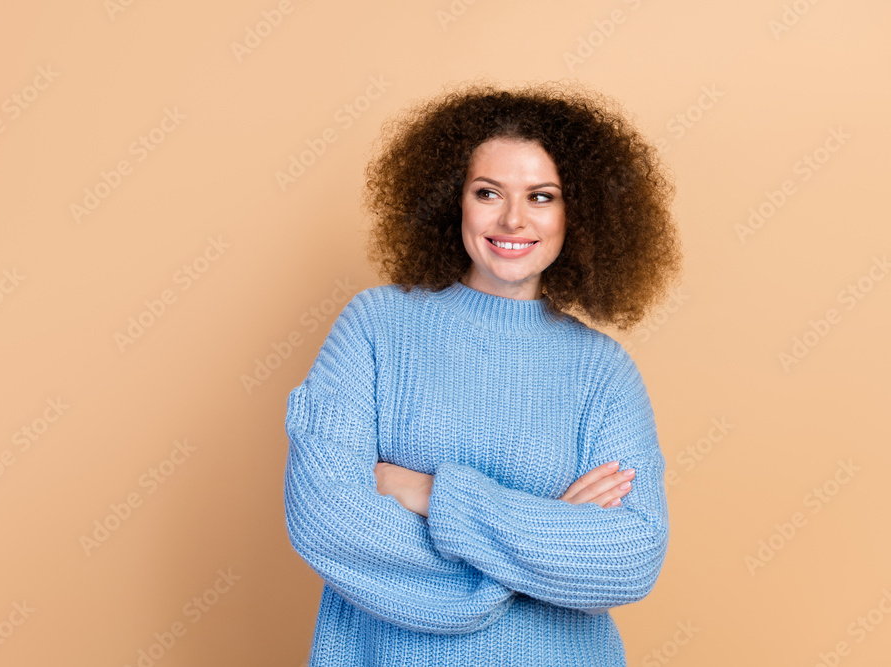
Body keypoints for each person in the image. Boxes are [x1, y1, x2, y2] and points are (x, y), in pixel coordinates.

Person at [283, 79, 684, 666]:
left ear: (581, 213)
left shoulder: (603, 372)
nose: (515, 219)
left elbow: (628, 561)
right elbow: (328, 519)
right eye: (488, 192)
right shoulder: (374, 326)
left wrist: (431, 492)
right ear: (453, 200)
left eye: (542, 196)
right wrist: (546, 540)